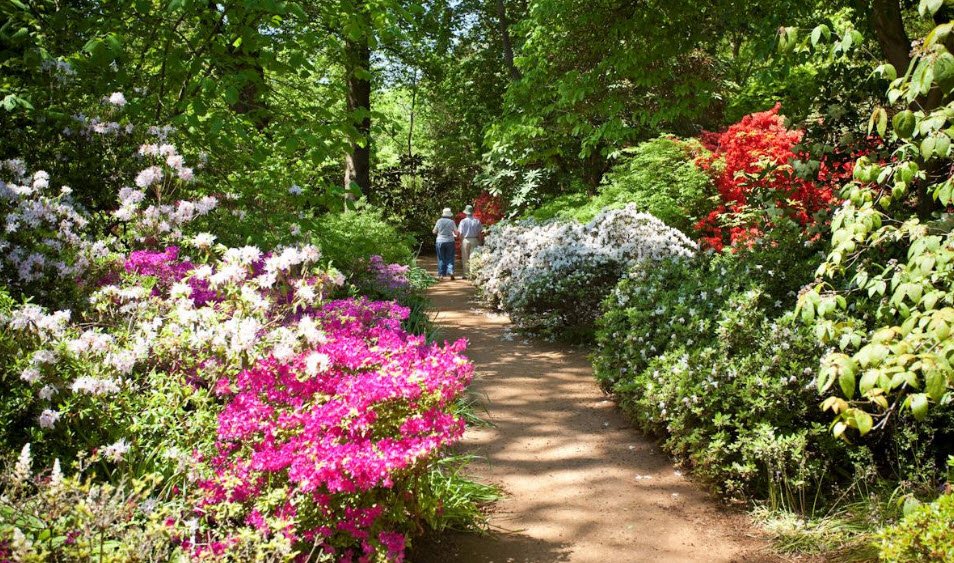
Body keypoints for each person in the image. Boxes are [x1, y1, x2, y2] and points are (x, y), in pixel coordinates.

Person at [433, 207, 458, 280]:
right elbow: (456, 232)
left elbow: (434, 231)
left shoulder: (439, 221)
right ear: (449, 215)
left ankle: (441, 274)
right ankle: (450, 271)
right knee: (450, 257)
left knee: (441, 257)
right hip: (450, 241)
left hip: (440, 241)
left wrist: (439, 232)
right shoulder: (451, 222)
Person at [458, 204, 483, 278]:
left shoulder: (463, 221)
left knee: (465, 257)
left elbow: (461, 233)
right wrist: (480, 242)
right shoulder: (477, 221)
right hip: (475, 239)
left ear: (465, 213)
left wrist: (461, 241)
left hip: (465, 240)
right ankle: (473, 274)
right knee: (474, 257)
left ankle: (466, 274)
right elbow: (479, 233)